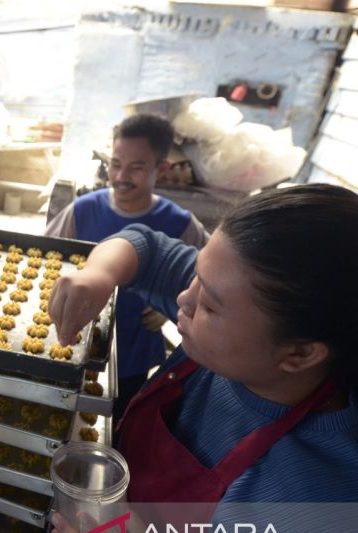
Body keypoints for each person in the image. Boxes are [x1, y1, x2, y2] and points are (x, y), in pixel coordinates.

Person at [49, 184, 358, 528]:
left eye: (209, 306)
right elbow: (145, 247)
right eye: (196, 274)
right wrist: (98, 274)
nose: (184, 298)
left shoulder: (305, 499)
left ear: (299, 354)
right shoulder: (238, 308)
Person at [46, 114, 208, 421]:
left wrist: (170, 301)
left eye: (136, 167)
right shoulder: (83, 210)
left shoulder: (181, 224)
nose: (121, 175)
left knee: (115, 418)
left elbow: (207, 281)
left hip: (133, 352)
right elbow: (45, 261)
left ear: (161, 169)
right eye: (115, 163)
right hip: (73, 341)